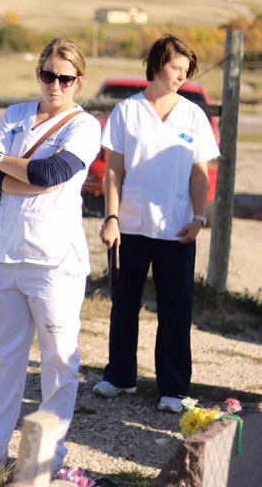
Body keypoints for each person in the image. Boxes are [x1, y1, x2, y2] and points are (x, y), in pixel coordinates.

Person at [0, 38, 102, 473]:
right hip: (8, 254)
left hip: (55, 260)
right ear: (39, 73)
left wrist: (4, 163)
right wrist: (8, 168)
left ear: (78, 81)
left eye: (66, 78)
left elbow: (54, 173)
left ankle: (45, 450)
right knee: (4, 355)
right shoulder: (16, 115)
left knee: (57, 358)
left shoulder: (84, 126)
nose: (56, 85)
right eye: (49, 75)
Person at [93, 35, 219, 413]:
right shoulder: (126, 112)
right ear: (156, 64)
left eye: (186, 71)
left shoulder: (193, 115)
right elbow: (113, 171)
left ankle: (174, 388)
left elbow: (200, 174)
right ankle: (120, 377)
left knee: (176, 308)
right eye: (175, 67)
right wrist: (111, 217)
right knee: (124, 303)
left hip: (178, 230)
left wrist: (199, 218)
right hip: (129, 226)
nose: (181, 75)